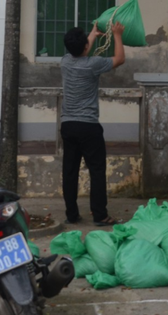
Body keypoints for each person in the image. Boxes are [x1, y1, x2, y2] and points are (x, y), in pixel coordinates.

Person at [60, 21, 125, 225]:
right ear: (85, 47)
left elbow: (80, 50)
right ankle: (100, 215)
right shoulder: (93, 64)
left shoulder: (65, 62)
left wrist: (93, 35)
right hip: (88, 126)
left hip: (68, 125)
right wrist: (117, 35)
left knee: (69, 171)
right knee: (96, 170)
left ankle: (71, 214)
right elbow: (120, 59)